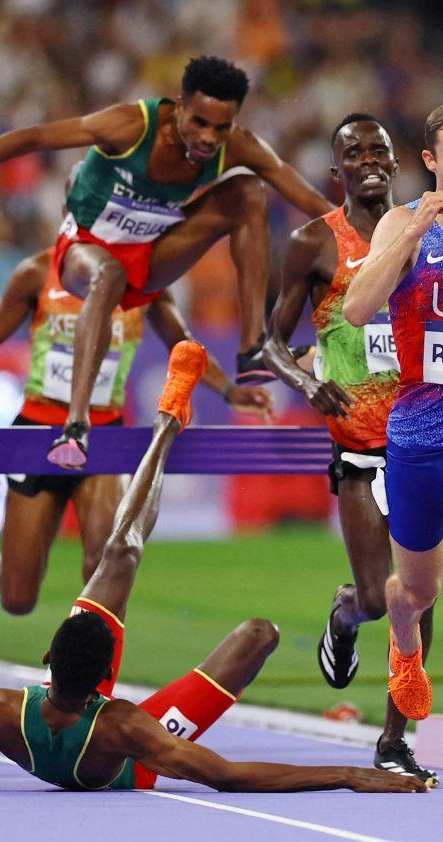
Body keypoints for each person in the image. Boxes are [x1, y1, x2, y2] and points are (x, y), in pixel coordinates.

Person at [0, 343, 427, 796]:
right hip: (130, 765)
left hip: (83, 712)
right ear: (108, 681)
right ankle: (169, 422)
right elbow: (229, 775)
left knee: (120, 552)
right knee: (260, 633)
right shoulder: (128, 728)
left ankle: (169, 419)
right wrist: (346, 774)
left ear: (47, 656)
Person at [0, 56, 335, 470]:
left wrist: (374, 231)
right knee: (107, 273)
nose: (207, 137)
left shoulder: (237, 146)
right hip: (84, 252)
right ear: (179, 105)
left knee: (249, 193)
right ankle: (75, 426)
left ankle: (251, 349)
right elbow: (31, 138)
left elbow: (311, 201)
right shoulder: (129, 125)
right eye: (198, 122)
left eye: (220, 128)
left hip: (148, 257)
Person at [261, 113, 435, 781]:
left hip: (419, 438)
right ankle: (346, 613)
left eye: (379, 151)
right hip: (361, 450)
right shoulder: (312, 243)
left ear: (397, 164)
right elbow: (269, 341)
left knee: (419, 594)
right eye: (354, 152)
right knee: (375, 596)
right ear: (337, 171)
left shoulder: (427, 235)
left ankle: (396, 739)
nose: (369, 161)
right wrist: (305, 380)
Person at [0, 251, 269, 620]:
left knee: (104, 561)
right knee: (17, 598)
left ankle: (87, 658)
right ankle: (11, 557)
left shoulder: (143, 282)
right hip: (36, 433)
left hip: (103, 437)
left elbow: (183, 342)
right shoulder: (37, 273)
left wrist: (229, 391)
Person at [337, 104, 443, 724]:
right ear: (431, 162)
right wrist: (410, 234)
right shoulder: (404, 224)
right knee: (416, 590)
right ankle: (406, 651)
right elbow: (355, 309)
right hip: (422, 434)